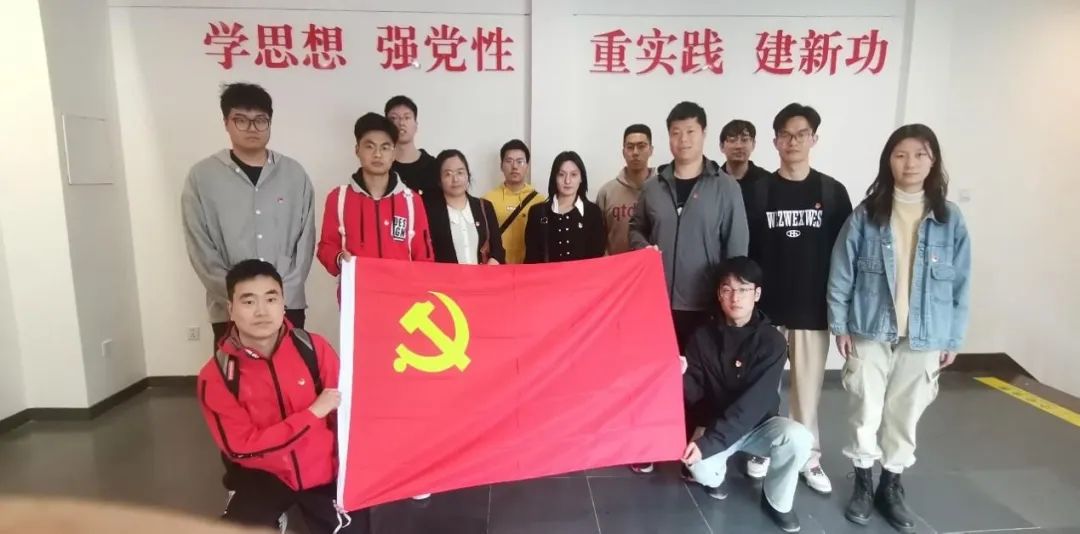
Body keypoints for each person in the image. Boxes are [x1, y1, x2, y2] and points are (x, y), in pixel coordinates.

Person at [828, 124, 970, 532]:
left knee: (905, 413)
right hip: (869, 328)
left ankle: (891, 486)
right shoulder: (867, 214)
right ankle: (863, 482)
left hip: (925, 335)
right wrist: (840, 324)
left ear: (933, 161)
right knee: (865, 409)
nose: (910, 163)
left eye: (920, 154)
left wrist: (953, 337)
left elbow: (961, 283)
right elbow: (842, 271)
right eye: (901, 154)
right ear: (888, 160)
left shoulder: (949, 219)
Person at [197, 260, 371, 532]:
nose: (262, 311)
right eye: (249, 301)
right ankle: (270, 514)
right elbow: (242, 447)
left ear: (283, 303)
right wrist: (312, 414)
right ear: (231, 309)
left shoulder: (313, 348)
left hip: (323, 472)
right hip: (264, 477)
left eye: (271, 299)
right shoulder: (217, 375)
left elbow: (347, 413)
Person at [742, 103, 853, 493]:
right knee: (762, 387)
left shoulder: (832, 193)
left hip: (812, 311)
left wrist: (841, 312)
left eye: (801, 134)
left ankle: (808, 456)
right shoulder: (757, 192)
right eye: (786, 135)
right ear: (775, 141)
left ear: (814, 139)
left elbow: (845, 256)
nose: (793, 142)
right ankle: (763, 447)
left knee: (806, 392)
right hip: (766, 312)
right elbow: (745, 252)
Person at [681, 257, 812, 533]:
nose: (735, 297)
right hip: (714, 423)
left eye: (743, 289)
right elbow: (692, 394)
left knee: (799, 438)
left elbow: (754, 404)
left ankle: (777, 501)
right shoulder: (702, 337)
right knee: (700, 469)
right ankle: (717, 477)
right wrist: (678, 376)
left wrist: (709, 443)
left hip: (759, 425)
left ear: (757, 294)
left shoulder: (772, 341)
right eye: (727, 289)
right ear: (719, 294)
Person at [181, 83, 315, 348]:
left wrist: (280, 295)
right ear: (226, 122)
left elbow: (305, 242)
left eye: (260, 120)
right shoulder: (202, 177)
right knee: (236, 371)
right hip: (229, 308)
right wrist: (237, 295)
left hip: (287, 305)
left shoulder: (294, 174)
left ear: (270, 123)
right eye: (241, 120)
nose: (252, 128)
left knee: (290, 368)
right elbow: (199, 246)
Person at [629, 101, 749, 353]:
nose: (683, 139)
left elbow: (736, 250)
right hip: (658, 302)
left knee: (701, 373)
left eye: (690, 131)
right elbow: (636, 228)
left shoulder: (726, 187)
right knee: (661, 368)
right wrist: (643, 247)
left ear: (704, 133)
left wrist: (729, 301)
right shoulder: (653, 187)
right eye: (676, 132)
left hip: (706, 305)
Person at [316, 112, 434, 282]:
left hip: (402, 293)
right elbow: (326, 246)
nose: (377, 154)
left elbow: (424, 257)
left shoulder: (412, 201)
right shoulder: (338, 198)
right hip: (357, 293)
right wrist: (339, 258)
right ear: (357, 150)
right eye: (370, 146)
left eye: (385, 147)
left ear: (394, 153)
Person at [424, 149, 505, 265]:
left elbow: (498, 249)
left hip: (483, 276)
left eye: (460, 172)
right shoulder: (430, 212)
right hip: (445, 276)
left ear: (468, 175)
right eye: (448, 174)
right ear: (439, 180)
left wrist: (493, 262)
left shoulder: (484, 207)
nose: (455, 179)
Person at [523, 151, 605, 263]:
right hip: (547, 274)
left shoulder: (593, 212)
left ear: (581, 178)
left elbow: (597, 258)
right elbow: (532, 258)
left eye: (574, 175)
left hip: (584, 274)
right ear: (554, 177)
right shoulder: (537, 212)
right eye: (561, 174)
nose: (567, 181)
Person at [483, 139, 545, 264]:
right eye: (509, 161)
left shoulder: (540, 201)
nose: (515, 166)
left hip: (529, 268)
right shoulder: (487, 200)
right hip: (497, 267)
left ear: (527, 166)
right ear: (501, 166)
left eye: (520, 161)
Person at [597, 124, 655, 255]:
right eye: (630, 147)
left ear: (651, 150)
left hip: (653, 266)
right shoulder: (607, 193)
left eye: (641, 146)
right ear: (623, 152)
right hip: (617, 266)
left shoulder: (663, 190)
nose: (635, 152)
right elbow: (598, 240)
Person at [386, 95, 440, 197]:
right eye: (394, 118)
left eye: (407, 117)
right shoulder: (382, 166)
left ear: (416, 125)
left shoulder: (434, 166)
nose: (401, 123)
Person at [719, 119, 772, 210]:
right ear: (722, 146)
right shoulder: (714, 182)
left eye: (744, 140)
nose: (738, 146)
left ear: (753, 144)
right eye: (732, 140)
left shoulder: (767, 181)